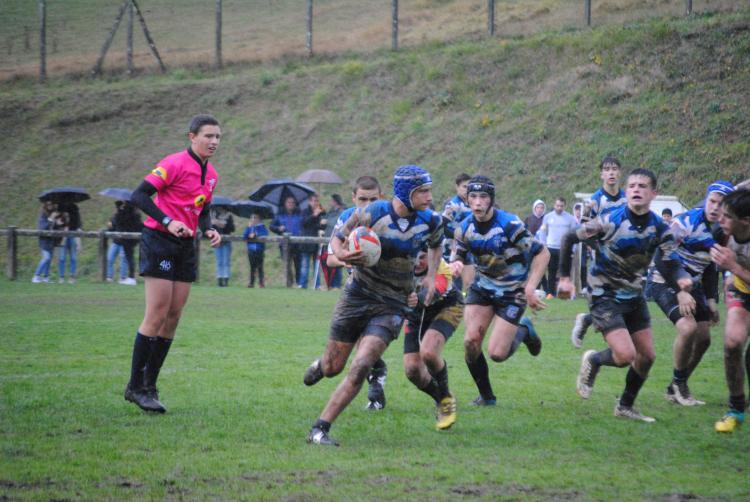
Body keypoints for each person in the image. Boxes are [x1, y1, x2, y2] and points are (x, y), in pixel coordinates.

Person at [303, 165, 444, 446]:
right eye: (423, 191)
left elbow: (436, 245)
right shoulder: (372, 213)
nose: (429, 196)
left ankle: (320, 429)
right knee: (334, 367)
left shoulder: (431, 221)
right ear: (406, 192)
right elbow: (337, 239)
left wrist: (430, 277)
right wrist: (343, 253)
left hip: (392, 304)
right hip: (357, 296)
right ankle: (323, 365)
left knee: (362, 364)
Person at [558, 168, 690, 423]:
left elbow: (670, 261)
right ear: (626, 191)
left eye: (642, 186)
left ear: (654, 193)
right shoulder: (609, 220)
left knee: (647, 356)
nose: (636, 190)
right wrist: (564, 278)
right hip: (603, 293)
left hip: (634, 295)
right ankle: (595, 359)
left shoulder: (660, 228)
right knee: (625, 355)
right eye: (632, 186)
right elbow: (567, 238)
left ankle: (625, 406)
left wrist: (682, 282)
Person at [123, 114, 223, 413]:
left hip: (186, 245)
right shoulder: (173, 163)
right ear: (192, 136)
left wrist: (208, 228)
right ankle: (134, 386)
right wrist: (168, 221)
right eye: (208, 136)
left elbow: (202, 209)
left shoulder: (212, 174)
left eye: (218, 137)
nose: (214, 142)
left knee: (174, 316)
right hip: (159, 240)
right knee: (157, 312)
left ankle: (150, 386)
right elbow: (139, 195)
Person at [451, 175, 548, 407]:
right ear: (467, 199)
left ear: (491, 199)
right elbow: (458, 255)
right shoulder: (464, 227)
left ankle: (524, 328)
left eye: (483, 197)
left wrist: (531, 286)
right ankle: (487, 397)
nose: (477, 202)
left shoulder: (509, 225)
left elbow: (543, 253)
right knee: (470, 342)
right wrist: (455, 263)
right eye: (472, 196)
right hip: (483, 288)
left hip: (512, 292)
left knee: (497, 354)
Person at [651, 181, 732, 406]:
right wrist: (679, 290)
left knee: (704, 339)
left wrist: (712, 300)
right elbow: (661, 255)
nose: (715, 207)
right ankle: (679, 384)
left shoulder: (725, 231)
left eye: (721, 204)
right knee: (688, 328)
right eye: (712, 201)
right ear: (706, 200)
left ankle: (675, 386)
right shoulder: (685, 222)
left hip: (692, 284)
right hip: (664, 279)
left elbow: (708, 267)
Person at [323, 175, 389, 410]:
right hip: (357, 290)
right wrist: (346, 261)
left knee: (367, 342)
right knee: (357, 343)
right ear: (353, 198)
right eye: (362, 199)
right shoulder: (345, 219)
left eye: (372, 199)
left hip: (386, 292)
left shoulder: (388, 218)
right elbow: (330, 259)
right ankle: (377, 374)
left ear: (381, 197)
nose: (367, 205)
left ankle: (375, 384)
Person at [571, 155, 627, 348]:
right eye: (607, 169)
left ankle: (587, 319)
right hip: (604, 260)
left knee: (624, 304)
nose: (611, 172)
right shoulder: (594, 201)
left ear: (619, 172)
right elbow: (585, 231)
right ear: (601, 174)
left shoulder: (627, 198)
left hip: (627, 260)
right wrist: (600, 250)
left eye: (614, 169)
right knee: (613, 302)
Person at [404, 247, 463, 430]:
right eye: (414, 257)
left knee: (429, 353)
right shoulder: (399, 265)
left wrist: (416, 298)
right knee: (412, 370)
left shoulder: (442, 268)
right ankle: (441, 397)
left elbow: (433, 291)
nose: (417, 262)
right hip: (416, 315)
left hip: (447, 307)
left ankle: (445, 400)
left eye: (422, 257)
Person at [710, 188, 750, 432]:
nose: (719, 219)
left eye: (727, 216)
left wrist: (733, 266)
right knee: (733, 343)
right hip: (741, 290)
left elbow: (733, 264)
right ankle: (736, 409)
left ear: (745, 221)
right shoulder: (722, 231)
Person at [538, 197, 578, 298]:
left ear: (565, 206)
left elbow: (575, 235)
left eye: (561, 206)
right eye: (557, 205)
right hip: (551, 248)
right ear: (554, 205)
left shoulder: (570, 218)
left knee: (564, 272)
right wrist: (543, 245)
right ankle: (551, 293)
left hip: (564, 249)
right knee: (551, 272)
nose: (559, 207)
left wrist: (573, 249)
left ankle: (564, 294)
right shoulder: (547, 217)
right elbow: (542, 232)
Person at [442, 173, 474, 291]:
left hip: (467, 248)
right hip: (452, 250)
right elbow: (443, 225)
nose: (467, 190)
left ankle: (467, 305)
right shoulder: (453, 205)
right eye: (464, 187)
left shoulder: (472, 204)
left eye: (469, 187)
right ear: (457, 187)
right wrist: (458, 236)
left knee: (469, 282)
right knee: (454, 282)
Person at [107, 200, 142, 285]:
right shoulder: (135, 214)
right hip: (129, 239)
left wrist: (119, 209)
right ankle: (130, 277)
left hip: (126, 239)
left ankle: (130, 278)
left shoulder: (125, 213)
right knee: (128, 258)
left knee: (128, 259)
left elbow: (120, 223)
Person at [270, 196, 303, 287]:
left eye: (292, 202)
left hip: (297, 243)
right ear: (285, 204)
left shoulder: (299, 214)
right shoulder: (279, 215)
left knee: (298, 265)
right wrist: (279, 228)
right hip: (284, 244)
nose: (291, 204)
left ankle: (299, 284)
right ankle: (289, 283)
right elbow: (271, 226)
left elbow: (304, 225)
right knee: (287, 265)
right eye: (289, 202)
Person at [32, 201, 65, 283]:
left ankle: (46, 278)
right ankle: (36, 276)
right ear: (45, 205)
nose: (50, 206)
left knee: (49, 260)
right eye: (48, 204)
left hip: (51, 241)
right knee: (46, 258)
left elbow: (55, 228)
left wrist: (58, 224)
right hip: (44, 241)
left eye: (52, 204)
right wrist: (51, 218)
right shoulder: (43, 216)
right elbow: (43, 228)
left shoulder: (54, 215)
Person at [300, 193, 327, 289]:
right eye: (314, 201)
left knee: (317, 265)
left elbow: (320, 227)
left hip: (317, 243)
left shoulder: (321, 212)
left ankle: (317, 284)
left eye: (317, 201)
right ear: (309, 201)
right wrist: (314, 215)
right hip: (306, 242)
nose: (315, 203)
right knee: (305, 265)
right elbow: (304, 223)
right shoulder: (304, 211)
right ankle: (303, 284)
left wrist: (323, 224)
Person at [320, 194, 345, 289]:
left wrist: (327, 222)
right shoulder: (330, 212)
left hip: (337, 241)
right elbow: (325, 220)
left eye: (331, 200)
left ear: (335, 201)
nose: (330, 202)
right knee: (329, 263)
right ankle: (330, 284)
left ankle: (337, 285)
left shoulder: (342, 212)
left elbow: (337, 223)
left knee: (337, 263)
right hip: (328, 241)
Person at [57, 201, 82, 284]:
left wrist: (78, 239)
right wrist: (60, 225)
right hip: (63, 236)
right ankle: (61, 277)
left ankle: (72, 277)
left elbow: (78, 224)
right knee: (62, 258)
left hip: (72, 234)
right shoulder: (60, 208)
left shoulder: (75, 208)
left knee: (73, 257)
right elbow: (56, 224)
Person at [211, 206, 235, 287]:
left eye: (221, 208)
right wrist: (216, 223)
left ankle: (226, 280)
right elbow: (211, 229)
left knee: (226, 261)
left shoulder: (229, 216)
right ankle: (220, 280)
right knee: (219, 261)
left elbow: (232, 229)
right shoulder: (214, 217)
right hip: (216, 241)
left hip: (226, 241)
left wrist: (225, 224)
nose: (220, 209)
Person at [243, 213, 268, 287]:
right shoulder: (249, 227)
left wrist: (256, 234)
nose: (253, 219)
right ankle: (251, 282)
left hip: (259, 249)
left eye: (255, 217)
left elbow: (265, 234)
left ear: (259, 219)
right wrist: (248, 228)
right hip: (251, 250)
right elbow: (245, 236)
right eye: (252, 218)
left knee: (260, 267)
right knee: (252, 267)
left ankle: (261, 282)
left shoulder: (262, 227)